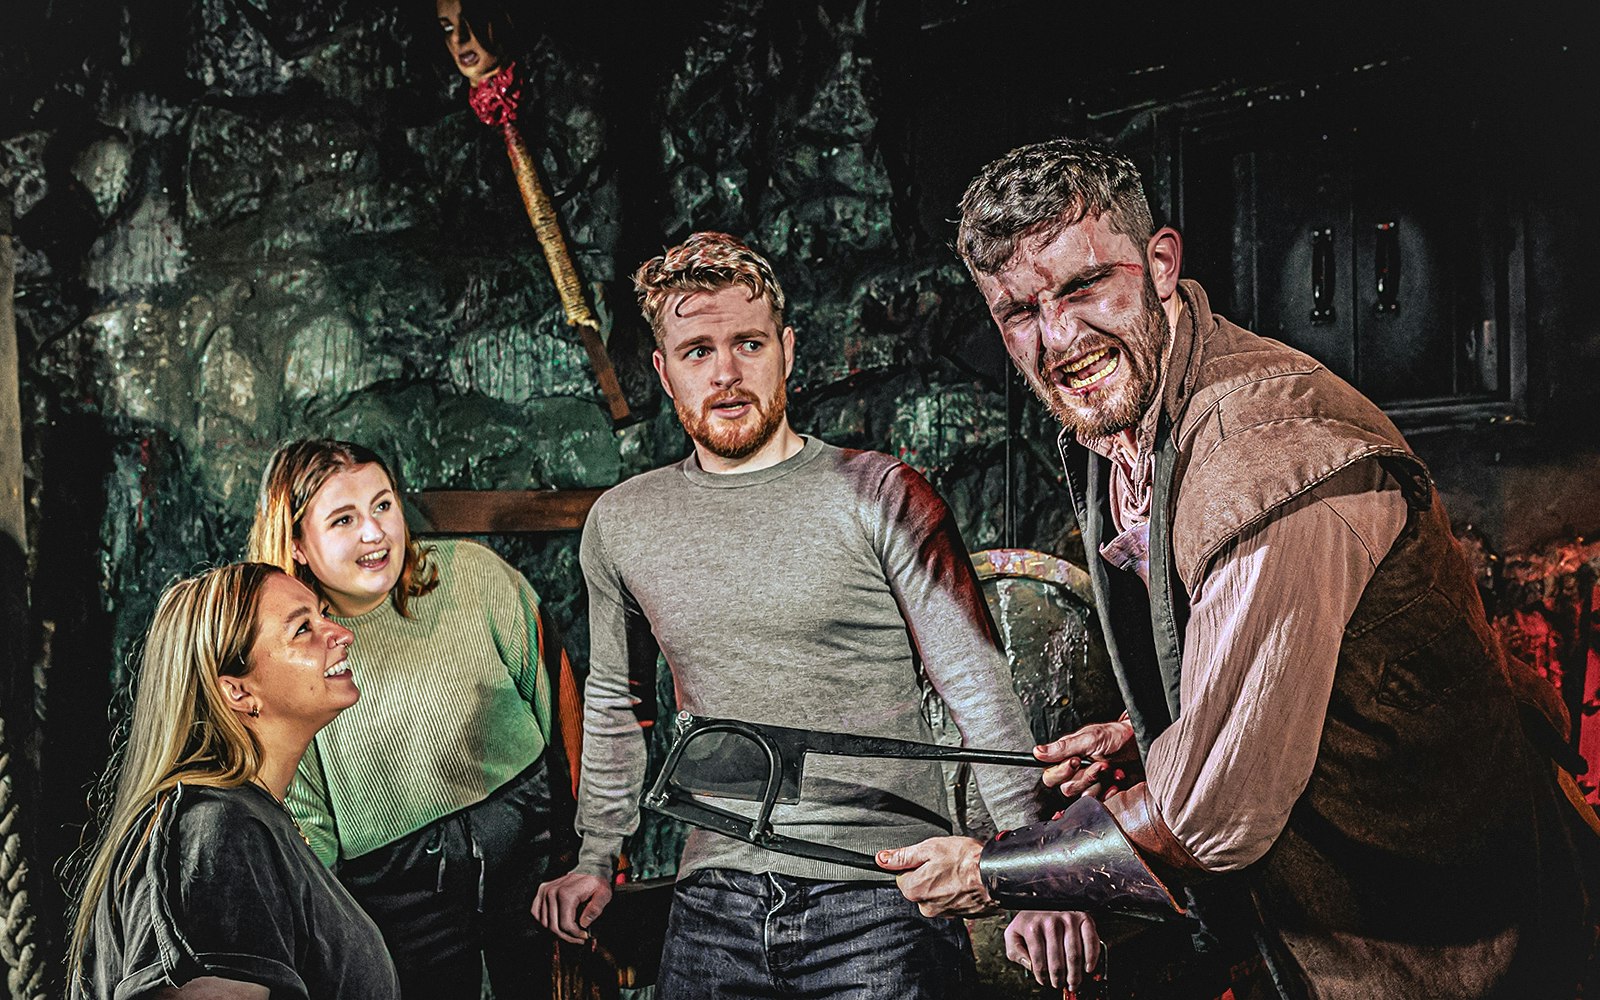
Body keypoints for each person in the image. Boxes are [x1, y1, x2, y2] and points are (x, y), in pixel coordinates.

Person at [879, 137, 1598, 997]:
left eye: (1084, 285)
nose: (1059, 337)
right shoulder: (1132, 416)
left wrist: (997, 871)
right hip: (1333, 920)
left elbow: (1212, 813)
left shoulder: (1259, 458)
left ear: (1160, 264)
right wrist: (1147, 731)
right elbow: (1265, 657)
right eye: (1019, 312)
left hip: (1460, 938)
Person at [531, 231, 1099, 997]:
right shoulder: (623, 522)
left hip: (883, 896)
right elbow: (614, 700)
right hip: (716, 898)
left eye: (749, 344)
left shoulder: (881, 494)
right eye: (698, 351)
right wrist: (597, 857)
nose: (726, 373)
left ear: (787, 351)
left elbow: (975, 683)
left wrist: (1031, 873)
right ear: (664, 371)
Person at [248, 439, 563, 999]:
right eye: (344, 519)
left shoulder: (474, 576)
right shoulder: (287, 649)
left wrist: (589, 848)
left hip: (528, 844)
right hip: (395, 891)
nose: (375, 533)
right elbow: (303, 816)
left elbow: (560, 706)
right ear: (297, 544)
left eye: (383, 505)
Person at [67, 563, 399, 999]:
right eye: (302, 629)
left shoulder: (246, 820)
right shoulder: (214, 831)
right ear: (237, 692)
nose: (342, 633)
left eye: (322, 614)